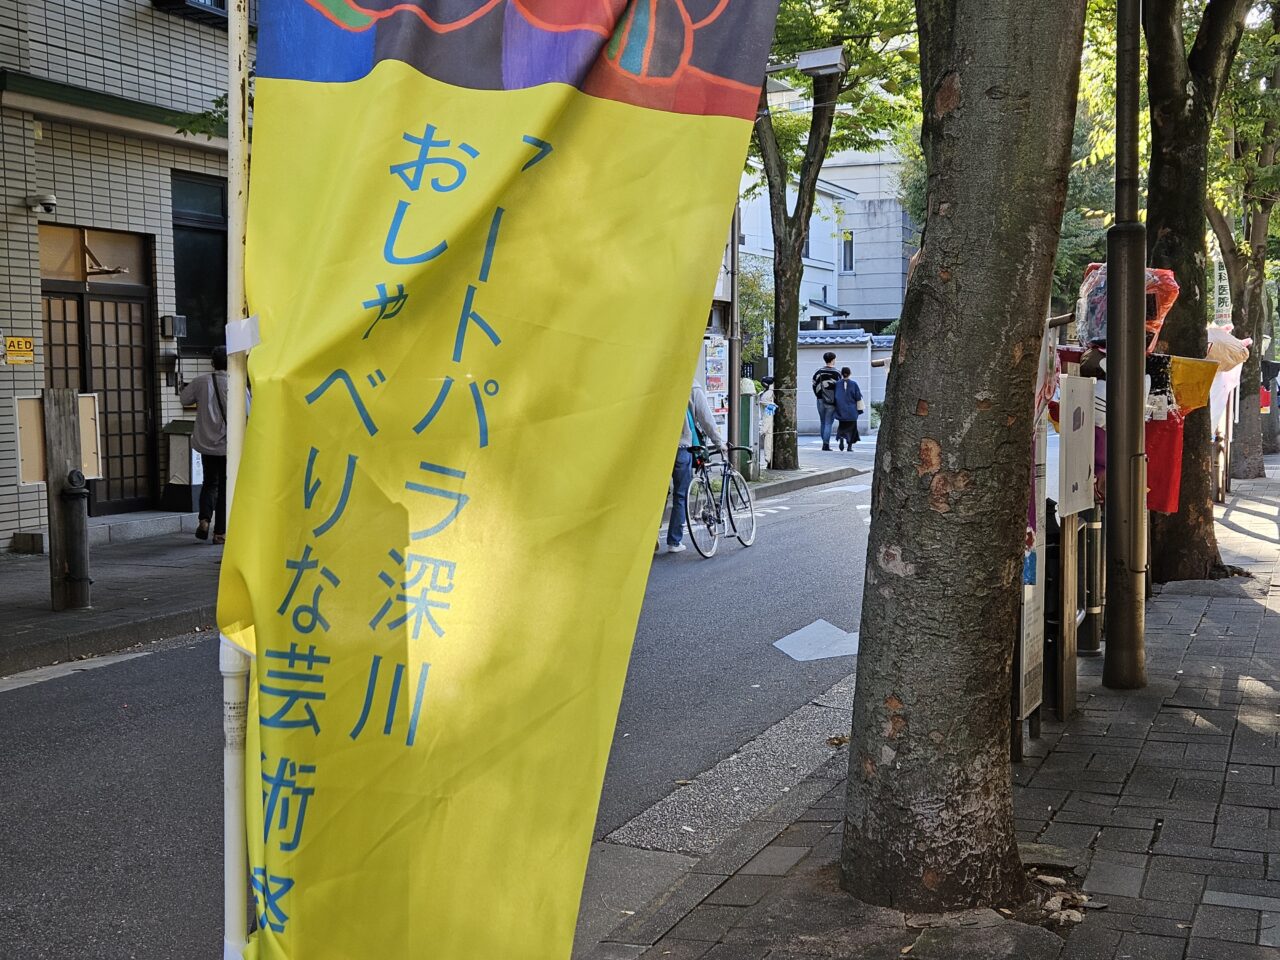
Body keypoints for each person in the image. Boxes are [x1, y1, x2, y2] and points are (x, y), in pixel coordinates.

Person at [665, 382, 726, 554]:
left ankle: (650, 541)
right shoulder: (691, 385)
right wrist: (719, 442)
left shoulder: (658, 379)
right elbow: (705, 418)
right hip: (681, 447)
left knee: (657, 496)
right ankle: (674, 541)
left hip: (659, 449)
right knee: (681, 494)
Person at [180, 346, 229, 544]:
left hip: (206, 443)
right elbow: (249, 409)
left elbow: (184, 399)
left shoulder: (201, 382)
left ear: (212, 362)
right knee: (225, 487)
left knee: (210, 482)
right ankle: (220, 532)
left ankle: (204, 519)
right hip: (228, 445)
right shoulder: (236, 383)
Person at [812, 351, 840, 450]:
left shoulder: (818, 372)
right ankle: (826, 444)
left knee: (823, 422)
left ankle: (824, 442)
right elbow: (840, 388)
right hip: (832, 402)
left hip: (820, 399)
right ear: (833, 360)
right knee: (829, 422)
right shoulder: (837, 373)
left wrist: (818, 395)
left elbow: (814, 385)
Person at [834, 367, 863, 451]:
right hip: (852, 411)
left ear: (841, 374)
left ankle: (842, 438)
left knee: (842, 426)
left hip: (840, 410)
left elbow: (835, 396)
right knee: (852, 428)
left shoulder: (837, 384)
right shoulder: (854, 384)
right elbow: (858, 396)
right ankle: (849, 446)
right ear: (850, 373)